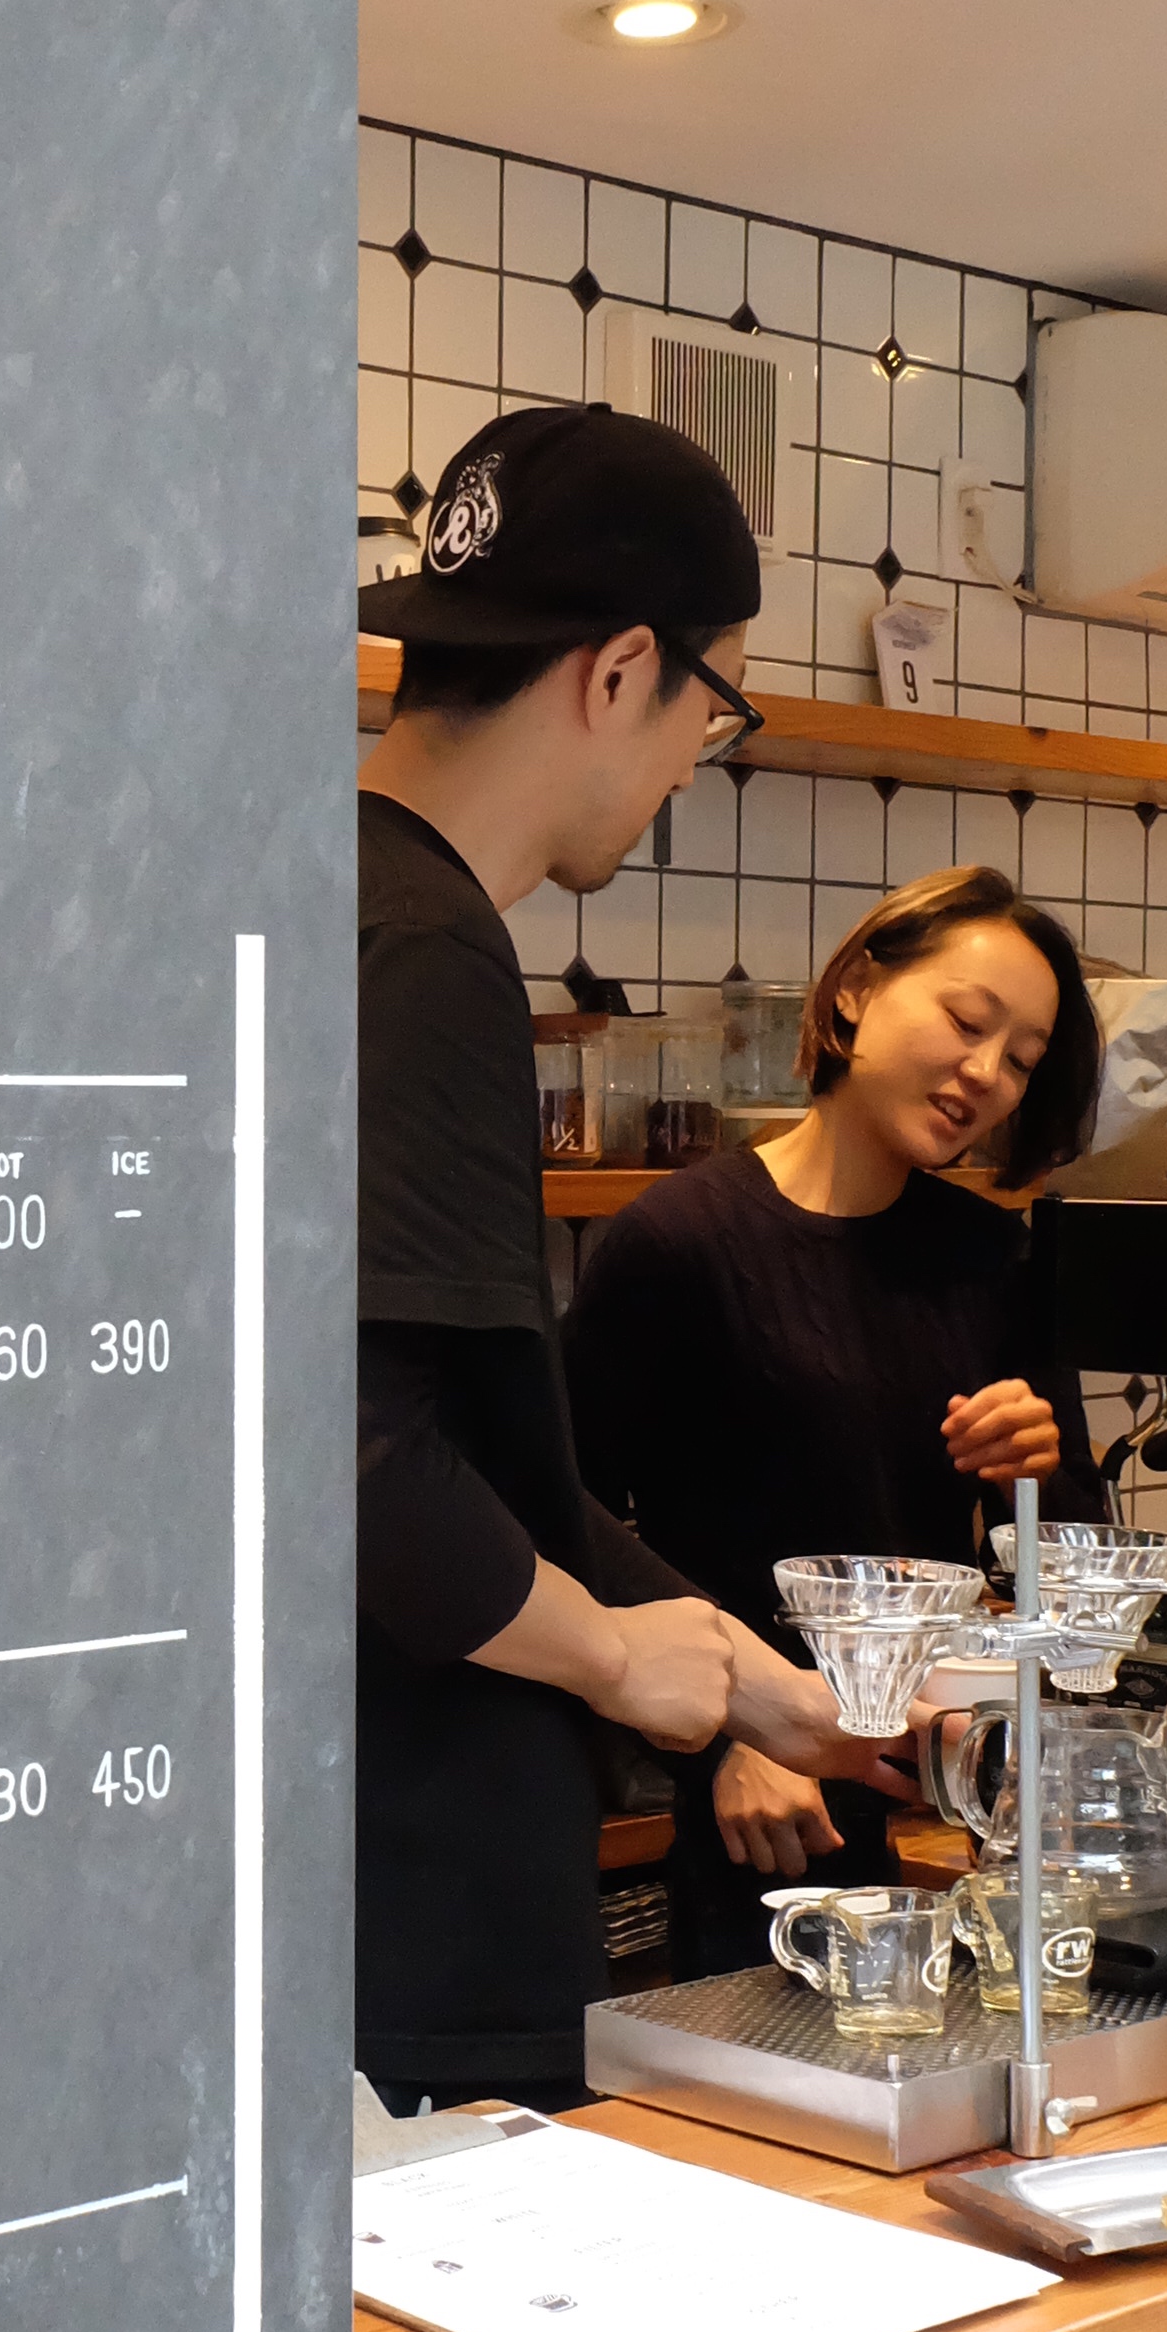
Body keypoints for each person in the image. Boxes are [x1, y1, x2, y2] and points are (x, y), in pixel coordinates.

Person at [357, 400, 868, 2104]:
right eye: (709, 713)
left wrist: (744, 1678)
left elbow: (475, 1456)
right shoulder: (422, 957)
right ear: (619, 668)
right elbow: (349, 1464)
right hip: (410, 1917)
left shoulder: (310, 903)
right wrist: (610, 1657)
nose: (681, 766)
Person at [564, 862, 1106, 1969]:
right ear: (856, 989)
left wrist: (1033, 1477)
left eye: (1021, 1061)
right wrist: (727, 1738)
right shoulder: (677, 1244)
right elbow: (567, 1522)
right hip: (759, 1812)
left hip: (949, 1798)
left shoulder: (990, 1257)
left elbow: (1081, 1557)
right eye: (967, 1021)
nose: (986, 1074)